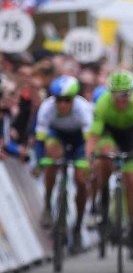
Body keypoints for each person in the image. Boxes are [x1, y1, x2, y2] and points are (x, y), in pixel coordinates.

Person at [86, 70, 133, 261]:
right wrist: (90, 159)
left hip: (131, 137)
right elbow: (93, 137)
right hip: (109, 134)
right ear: (110, 94)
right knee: (104, 158)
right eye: (117, 95)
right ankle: (101, 202)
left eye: (126, 95)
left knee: (132, 180)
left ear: (131, 93)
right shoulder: (103, 104)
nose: (122, 100)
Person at [35, 75, 93, 253]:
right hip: (57, 135)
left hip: (79, 141)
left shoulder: (83, 109)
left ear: (74, 99)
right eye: (58, 100)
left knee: (81, 180)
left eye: (66, 100)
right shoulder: (46, 108)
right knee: (52, 158)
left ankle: (77, 225)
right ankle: (47, 204)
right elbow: (40, 140)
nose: (62, 105)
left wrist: (87, 162)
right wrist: (40, 162)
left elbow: (89, 141)